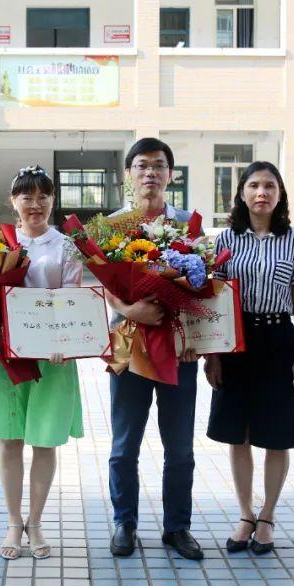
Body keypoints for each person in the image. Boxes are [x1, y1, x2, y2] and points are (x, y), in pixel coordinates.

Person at [0, 165, 85, 560]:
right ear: (12, 202)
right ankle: (13, 521)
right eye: (26, 196)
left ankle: (36, 522)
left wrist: (63, 339)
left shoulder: (67, 246)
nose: (35, 205)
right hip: (7, 357)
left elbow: (72, 298)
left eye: (43, 196)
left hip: (54, 359)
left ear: (52, 200)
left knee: (45, 439)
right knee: (10, 438)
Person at [204, 162, 294, 555]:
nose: (261, 192)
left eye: (270, 185)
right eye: (254, 185)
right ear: (242, 193)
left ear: (280, 194)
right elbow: (212, 298)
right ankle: (245, 513)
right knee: (238, 432)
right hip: (235, 340)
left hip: (277, 338)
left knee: (276, 432)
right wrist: (213, 354)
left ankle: (267, 515)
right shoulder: (224, 240)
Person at [106, 137, 203, 560]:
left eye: (158, 166)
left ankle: (177, 527)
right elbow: (99, 284)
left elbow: (204, 286)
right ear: (128, 175)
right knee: (124, 445)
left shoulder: (189, 224)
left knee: (179, 446)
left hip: (179, 350)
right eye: (142, 166)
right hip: (128, 346)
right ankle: (124, 522)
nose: (150, 173)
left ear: (170, 175)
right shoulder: (110, 226)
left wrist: (195, 339)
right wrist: (131, 309)